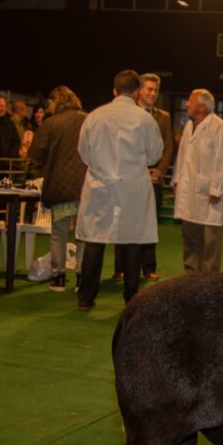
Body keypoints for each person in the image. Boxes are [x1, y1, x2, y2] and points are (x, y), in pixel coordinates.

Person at [75, 69, 162, 310]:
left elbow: (83, 152)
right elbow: (155, 154)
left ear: (114, 90)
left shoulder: (94, 116)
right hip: (132, 186)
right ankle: (131, 297)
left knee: (95, 240)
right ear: (136, 92)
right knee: (132, 240)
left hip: (100, 185)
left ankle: (86, 297)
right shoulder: (145, 119)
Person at [26, 86, 87, 292]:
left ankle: (58, 277)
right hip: (85, 188)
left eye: (50, 102)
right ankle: (81, 278)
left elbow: (35, 153)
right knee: (83, 235)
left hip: (60, 187)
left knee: (59, 234)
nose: (49, 106)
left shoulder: (51, 123)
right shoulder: (87, 120)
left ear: (56, 101)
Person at [115, 73, 174, 282]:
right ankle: (120, 267)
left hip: (154, 178)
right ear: (138, 90)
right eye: (148, 89)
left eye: (156, 90)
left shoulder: (163, 117)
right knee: (123, 221)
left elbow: (168, 147)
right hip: (129, 178)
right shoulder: (125, 113)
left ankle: (148, 267)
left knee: (150, 223)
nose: (152, 93)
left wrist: (159, 171)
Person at [172, 89, 223, 273]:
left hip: (210, 196)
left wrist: (217, 188)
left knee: (209, 244)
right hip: (188, 193)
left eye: (190, 101)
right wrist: (176, 180)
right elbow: (182, 158)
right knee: (190, 240)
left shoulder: (219, 127)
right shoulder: (189, 126)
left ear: (202, 106)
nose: (186, 104)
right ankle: (191, 279)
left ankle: (208, 284)